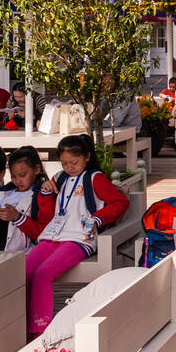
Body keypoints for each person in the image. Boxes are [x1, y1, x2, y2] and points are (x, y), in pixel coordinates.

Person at [24, 134, 130, 338]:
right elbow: (47, 213)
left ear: (87, 156)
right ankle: (22, 324)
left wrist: (98, 218)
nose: (69, 167)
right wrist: (45, 194)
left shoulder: (95, 178)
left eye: (74, 162)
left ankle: (40, 332)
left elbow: (120, 202)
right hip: (52, 235)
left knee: (43, 274)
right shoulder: (59, 178)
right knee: (24, 271)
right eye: (64, 163)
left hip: (79, 238)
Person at [0, 146, 57, 253]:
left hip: (4, 241)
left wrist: (17, 217)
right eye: (13, 176)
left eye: (22, 175)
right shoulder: (3, 191)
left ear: (37, 169)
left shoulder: (43, 194)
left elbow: (44, 232)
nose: (17, 180)